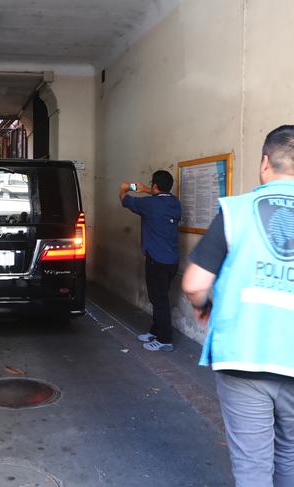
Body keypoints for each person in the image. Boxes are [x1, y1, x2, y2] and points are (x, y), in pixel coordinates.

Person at [182, 125, 294, 487]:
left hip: (244, 354)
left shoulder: (236, 211)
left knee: (252, 466)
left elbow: (194, 283)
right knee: (290, 454)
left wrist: (204, 305)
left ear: (265, 163)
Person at [119, 170, 182, 352]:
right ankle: (155, 331)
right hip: (172, 261)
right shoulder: (175, 203)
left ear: (154, 185)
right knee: (159, 298)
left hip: (157, 261)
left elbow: (124, 199)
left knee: (159, 299)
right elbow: (160, 197)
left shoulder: (149, 204)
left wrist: (124, 188)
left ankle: (165, 340)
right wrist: (149, 189)